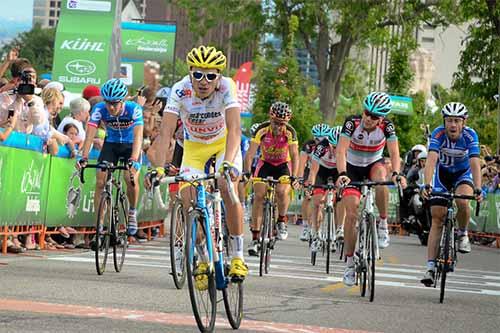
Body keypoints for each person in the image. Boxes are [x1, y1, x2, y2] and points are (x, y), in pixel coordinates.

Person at [146, 45, 248, 284]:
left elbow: (235, 129)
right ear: (190, 73)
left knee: (227, 186)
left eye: (211, 75)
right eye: (198, 75)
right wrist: (160, 168)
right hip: (194, 149)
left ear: (218, 77)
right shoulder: (179, 90)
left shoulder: (227, 87)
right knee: (189, 200)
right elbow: (166, 132)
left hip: (223, 145)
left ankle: (237, 255)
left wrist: (229, 163)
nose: (204, 81)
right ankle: (203, 259)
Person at [335, 92, 406, 286]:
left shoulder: (387, 127)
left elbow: (394, 152)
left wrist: (397, 173)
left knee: (382, 179)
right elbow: (340, 150)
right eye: (367, 112)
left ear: (381, 118)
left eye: (374, 116)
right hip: (352, 168)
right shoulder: (351, 122)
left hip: (374, 163)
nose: (368, 118)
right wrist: (342, 172)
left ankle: (383, 224)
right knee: (351, 215)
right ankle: (349, 263)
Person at [420, 102, 482, 286]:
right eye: (449, 121)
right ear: (444, 122)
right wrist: (427, 184)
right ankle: (430, 267)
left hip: (463, 174)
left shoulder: (470, 135)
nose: (453, 125)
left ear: (464, 122)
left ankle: (463, 233)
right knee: (437, 218)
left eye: (456, 121)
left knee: (463, 202)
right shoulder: (438, 134)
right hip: (443, 175)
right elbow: (431, 161)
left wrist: (478, 188)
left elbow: (475, 163)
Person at [77, 78, 144, 236]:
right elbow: (90, 134)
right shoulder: (100, 109)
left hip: (130, 145)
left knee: (130, 178)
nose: (111, 107)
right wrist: (83, 156)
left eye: (115, 103)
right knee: (100, 181)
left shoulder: (133, 109)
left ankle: (132, 212)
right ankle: (99, 222)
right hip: (112, 144)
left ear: (123, 101)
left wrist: (134, 159)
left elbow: (138, 136)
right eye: (108, 102)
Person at [244, 101, 300, 255]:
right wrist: (248, 172)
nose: (278, 127)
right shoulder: (262, 130)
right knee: (259, 196)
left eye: (282, 124)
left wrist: (294, 176)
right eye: (275, 123)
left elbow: (295, 155)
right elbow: (250, 154)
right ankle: (255, 238)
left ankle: (281, 220)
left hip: (283, 165)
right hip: (266, 164)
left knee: (282, 192)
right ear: (270, 118)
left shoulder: (290, 132)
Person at [305, 126, 344, 252]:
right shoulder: (321, 147)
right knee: (317, 202)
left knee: (342, 197)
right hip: (321, 171)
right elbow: (313, 170)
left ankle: (340, 228)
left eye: (337, 146)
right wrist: (311, 183)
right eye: (332, 146)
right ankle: (316, 234)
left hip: (338, 171)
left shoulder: (347, 148)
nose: (334, 150)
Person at [298, 123, 330, 241]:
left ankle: (319, 227)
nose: (319, 141)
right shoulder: (308, 145)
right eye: (317, 138)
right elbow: (301, 164)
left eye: (323, 138)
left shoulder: (330, 145)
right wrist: (300, 179)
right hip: (310, 170)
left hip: (323, 171)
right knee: (308, 197)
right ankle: (306, 226)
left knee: (320, 203)